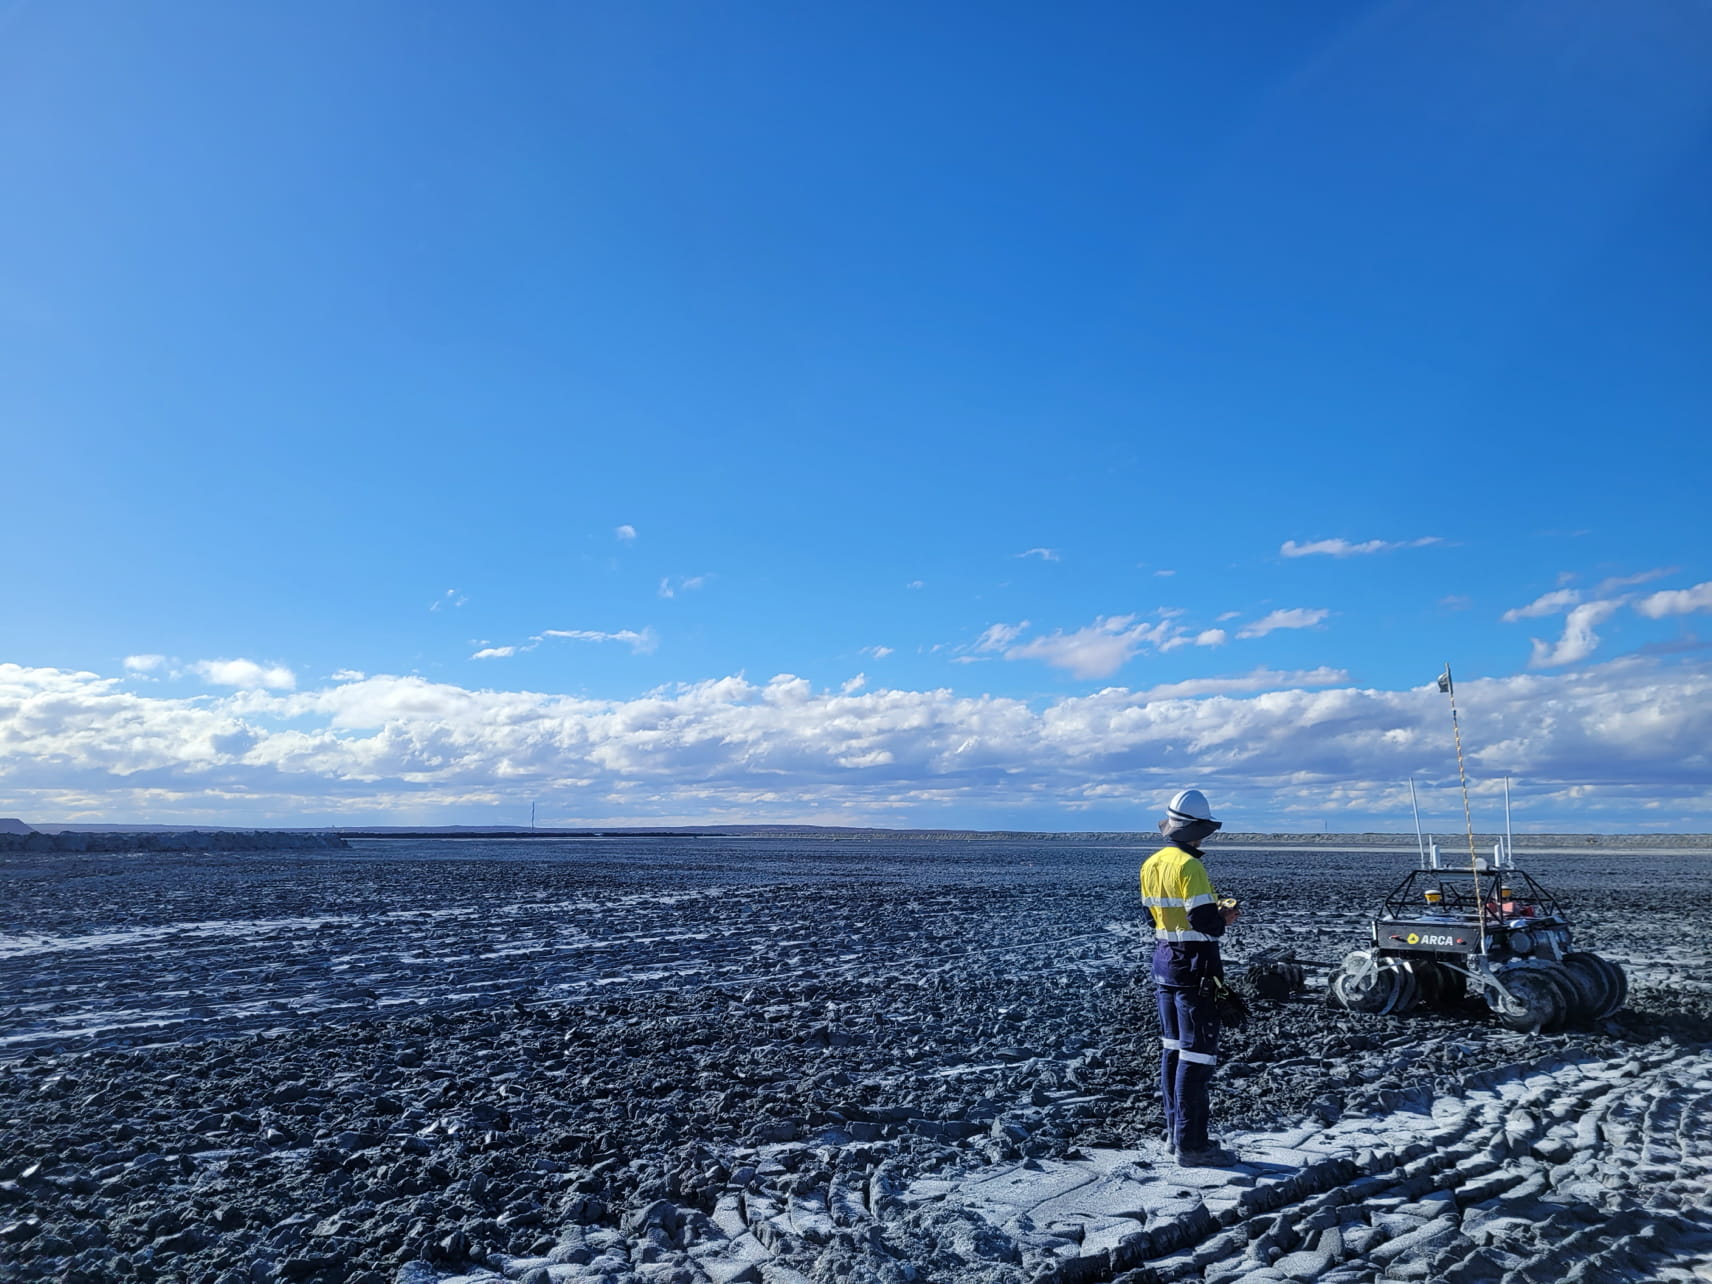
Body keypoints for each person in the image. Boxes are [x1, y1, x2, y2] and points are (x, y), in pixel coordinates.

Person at [1140, 788, 1240, 1166]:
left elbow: (1153, 917)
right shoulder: (1190, 867)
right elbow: (1202, 921)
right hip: (1195, 969)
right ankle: (1192, 1145)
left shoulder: (1152, 864)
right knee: (1196, 1057)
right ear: (1199, 830)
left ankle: (1173, 1136)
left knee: (1173, 1051)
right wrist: (1224, 918)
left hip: (1164, 965)